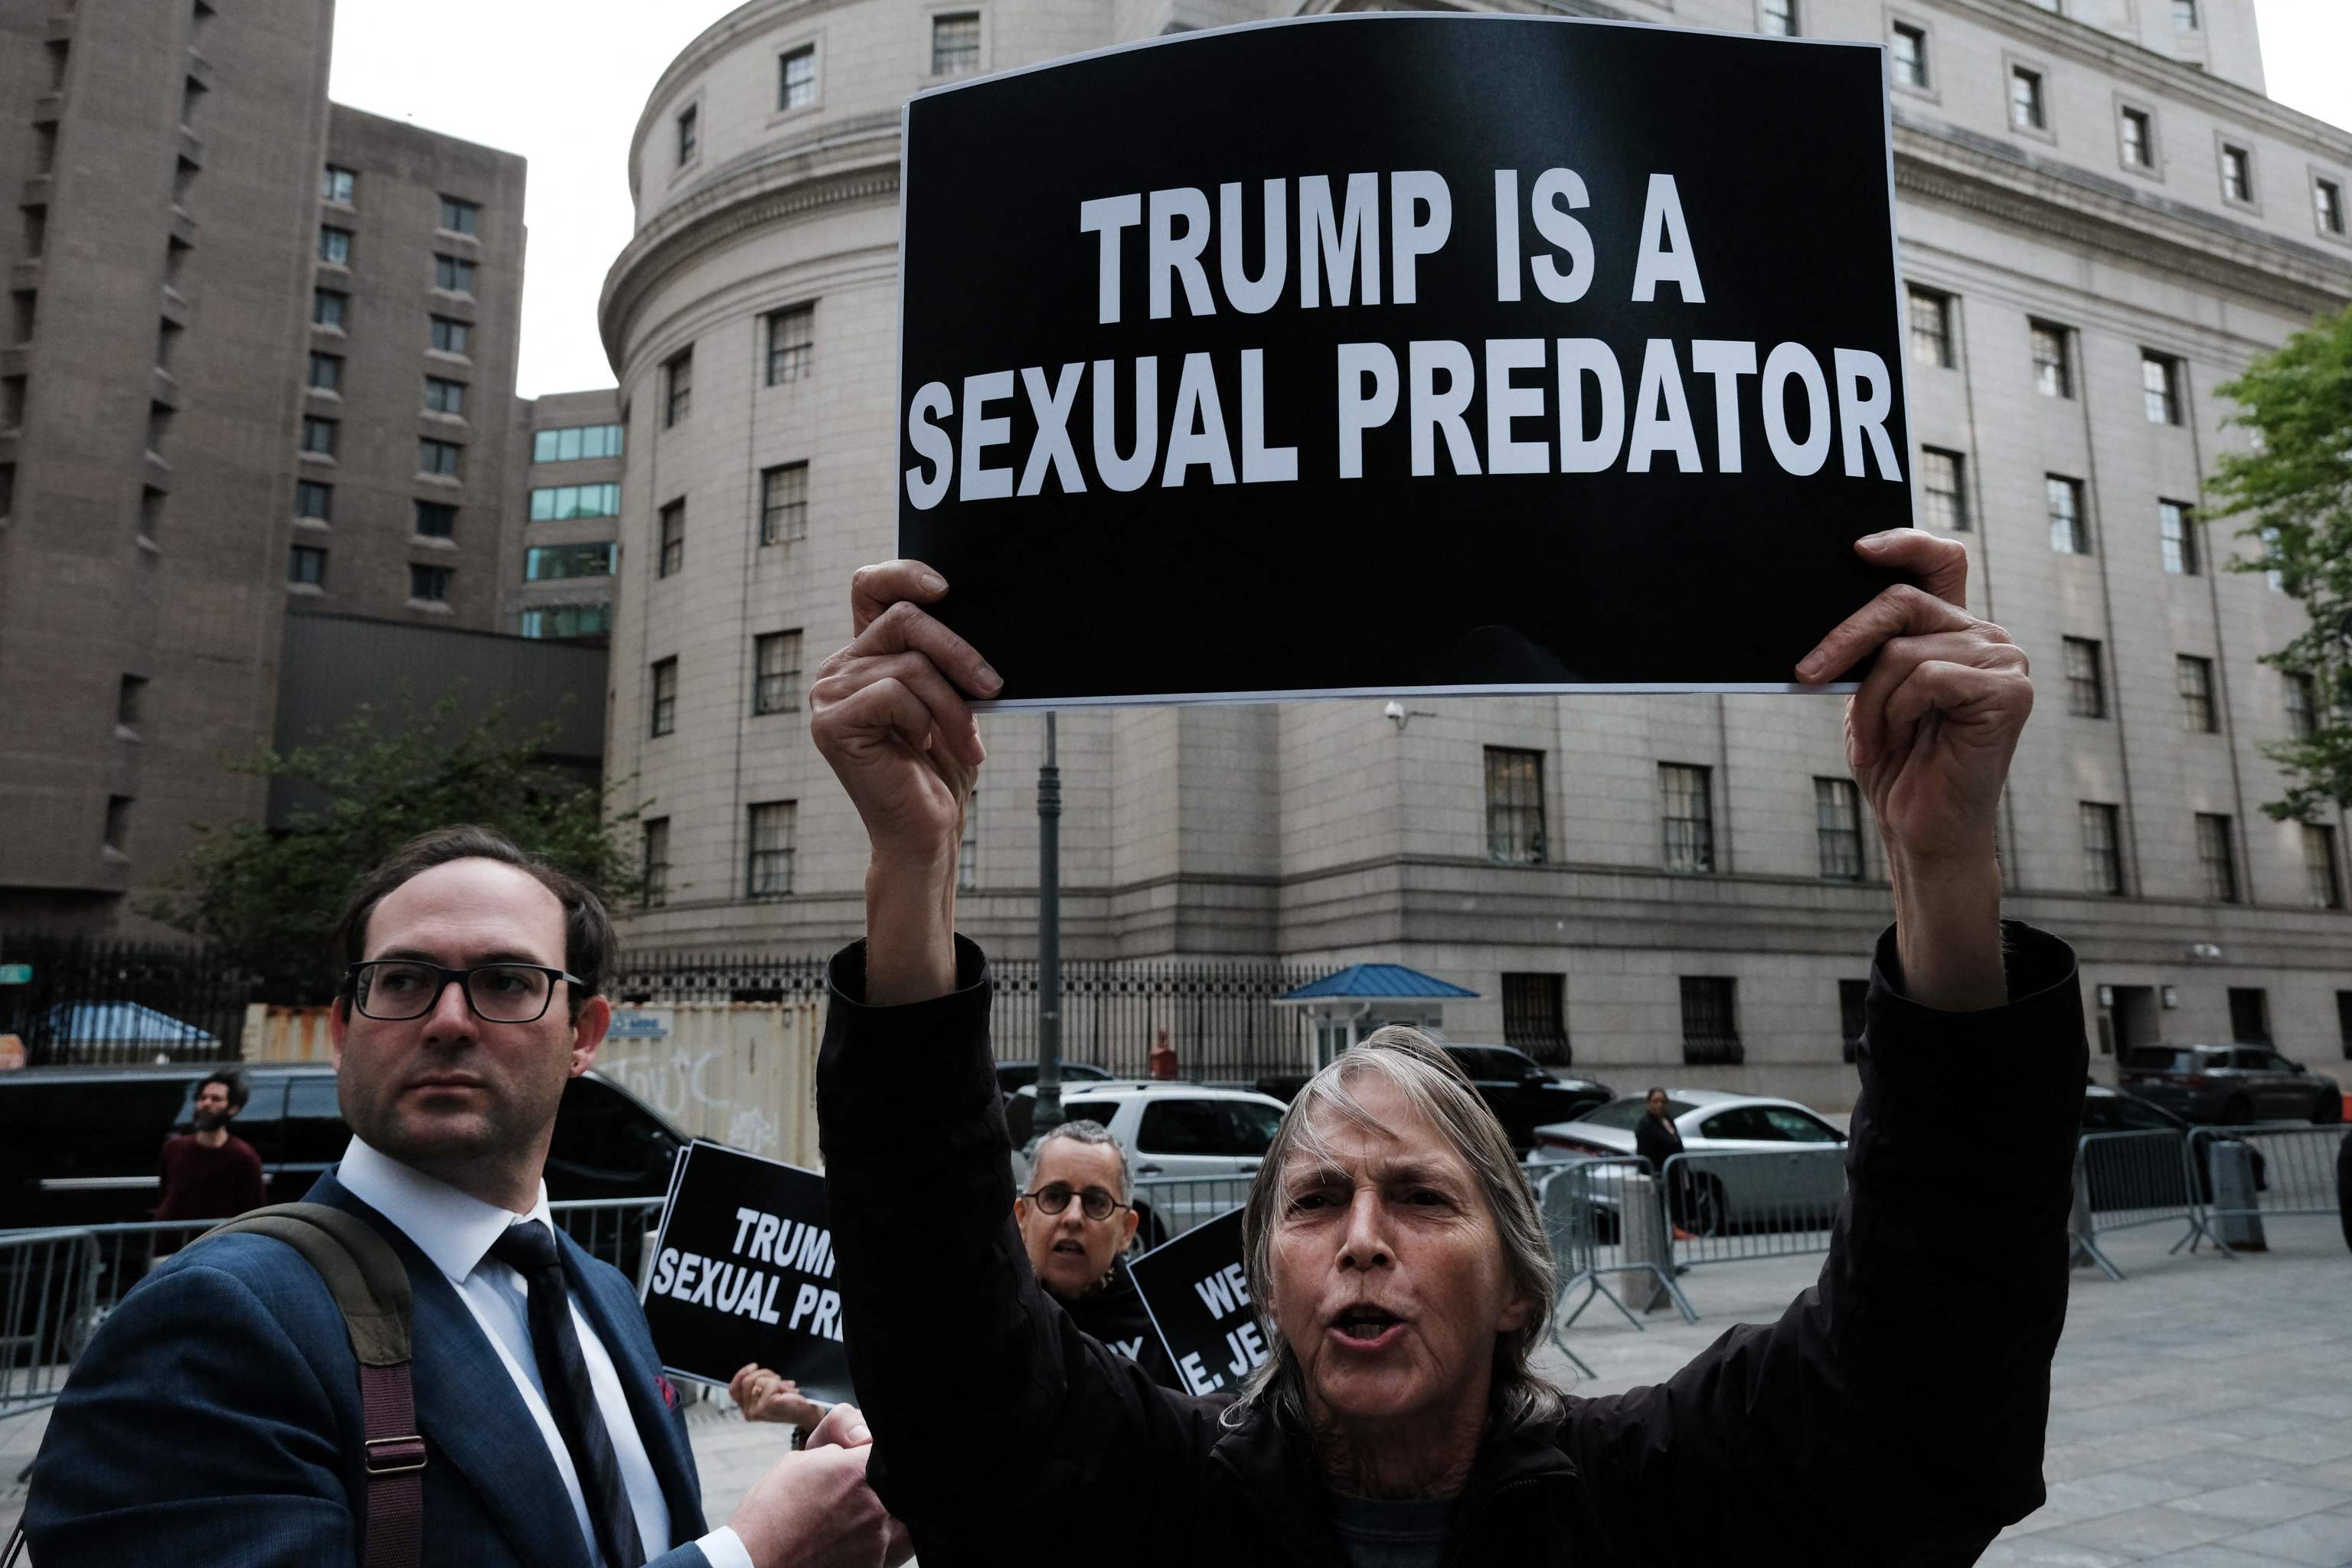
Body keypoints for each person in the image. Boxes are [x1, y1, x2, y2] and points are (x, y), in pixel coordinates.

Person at [808, 533, 2086, 1563]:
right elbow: (947, 1351)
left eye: (1420, 1193)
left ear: (1521, 1285)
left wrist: (1942, 859)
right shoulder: (1154, 1500)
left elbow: (1925, 1374)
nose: (1362, 1234)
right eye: (1314, 1198)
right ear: (1262, 1279)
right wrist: (912, 865)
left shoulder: (1662, 1495)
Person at [28, 825, 907, 1568]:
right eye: (405, 979)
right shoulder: (210, 1323)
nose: (450, 1017)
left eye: (506, 982)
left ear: (584, 1035)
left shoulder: (604, 1299)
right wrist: (752, 1556)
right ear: (344, 1028)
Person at [732, 1119, 1184, 1425]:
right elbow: (914, 1430)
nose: (1072, 1216)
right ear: (1021, 1215)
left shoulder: (1170, 1331)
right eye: (1055, 1196)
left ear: (1127, 1230)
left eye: (1096, 1202)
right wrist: (812, 1413)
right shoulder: (976, 1314)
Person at [152, 1068, 268, 1251]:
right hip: (170, 1248)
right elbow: (165, 1191)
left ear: (233, 1108)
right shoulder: (173, 1148)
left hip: (215, 1250)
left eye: (216, 1099)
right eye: (203, 1098)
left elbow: (252, 1211)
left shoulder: (244, 1158)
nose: (206, 1104)